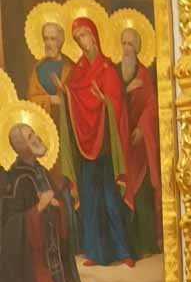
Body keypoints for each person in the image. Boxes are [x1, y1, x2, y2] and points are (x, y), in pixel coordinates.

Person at [59, 15, 135, 267]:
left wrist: (105, 102)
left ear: (94, 36)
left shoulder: (107, 69)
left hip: (105, 145)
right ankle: (95, 252)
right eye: (77, 38)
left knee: (111, 198)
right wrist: (65, 93)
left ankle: (123, 251)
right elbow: (75, 96)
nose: (82, 41)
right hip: (85, 145)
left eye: (84, 35)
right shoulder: (77, 72)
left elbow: (116, 104)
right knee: (90, 199)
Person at [0, 122, 91, 282]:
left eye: (34, 133)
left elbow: (59, 209)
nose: (37, 138)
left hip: (54, 258)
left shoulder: (41, 171)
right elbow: (9, 228)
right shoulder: (17, 179)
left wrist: (59, 206)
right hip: (32, 264)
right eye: (30, 137)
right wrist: (38, 208)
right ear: (22, 147)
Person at [118, 26, 161, 255]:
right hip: (122, 145)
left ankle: (146, 245)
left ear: (137, 48)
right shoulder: (116, 72)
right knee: (123, 194)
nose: (127, 49)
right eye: (124, 43)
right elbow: (110, 101)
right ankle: (129, 247)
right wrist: (125, 90)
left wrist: (142, 129)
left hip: (141, 147)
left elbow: (152, 105)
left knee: (142, 196)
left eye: (130, 44)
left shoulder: (144, 74)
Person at [26, 21, 67, 119]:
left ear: (60, 42)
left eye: (53, 39)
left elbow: (78, 99)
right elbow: (31, 99)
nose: (48, 43)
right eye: (46, 39)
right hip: (45, 121)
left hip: (66, 122)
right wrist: (49, 100)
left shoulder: (70, 68)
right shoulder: (38, 68)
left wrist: (64, 93)